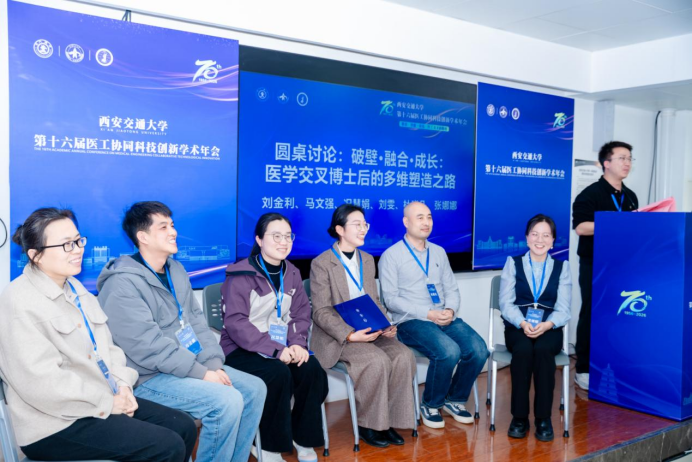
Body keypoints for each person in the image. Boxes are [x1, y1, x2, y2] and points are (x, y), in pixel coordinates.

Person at [0, 207, 197, 461]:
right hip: (55, 423)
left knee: (182, 426)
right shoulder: (18, 302)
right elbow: (42, 385)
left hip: (101, 400)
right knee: (167, 445)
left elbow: (110, 349)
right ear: (35, 255)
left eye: (78, 241)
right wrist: (107, 403)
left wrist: (123, 386)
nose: (77, 250)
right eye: (66, 245)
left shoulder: (76, 289)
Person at [97, 201, 266, 462]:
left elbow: (196, 321)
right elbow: (148, 347)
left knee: (254, 389)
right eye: (163, 227)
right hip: (147, 377)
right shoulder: (121, 284)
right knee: (226, 401)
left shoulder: (175, 269)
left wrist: (212, 365)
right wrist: (203, 374)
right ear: (143, 237)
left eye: (172, 225)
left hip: (187, 365)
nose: (173, 232)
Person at [221, 213, 328, 462]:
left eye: (288, 236)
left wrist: (298, 344)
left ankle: (302, 437)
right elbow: (236, 323)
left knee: (311, 369)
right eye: (276, 236)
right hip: (241, 349)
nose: (283, 242)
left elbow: (300, 314)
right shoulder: (240, 274)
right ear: (259, 240)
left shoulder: (291, 272)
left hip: (281, 347)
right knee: (277, 374)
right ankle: (267, 445)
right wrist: (275, 349)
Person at [310, 204, 416, 448]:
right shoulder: (322, 263)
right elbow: (321, 311)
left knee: (403, 356)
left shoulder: (367, 260)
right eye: (356, 224)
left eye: (364, 224)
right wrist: (349, 335)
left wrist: (386, 324)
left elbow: (374, 300)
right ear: (339, 229)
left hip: (371, 331)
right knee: (376, 361)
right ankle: (369, 425)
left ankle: (389, 422)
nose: (363, 229)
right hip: (338, 336)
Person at [379, 201, 488, 429]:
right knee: (448, 351)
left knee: (479, 349)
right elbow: (391, 299)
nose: (426, 222)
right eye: (419, 217)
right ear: (406, 222)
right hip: (411, 320)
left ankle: (454, 399)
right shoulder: (391, 255)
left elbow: (451, 289)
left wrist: (450, 310)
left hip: (443, 317)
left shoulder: (439, 252)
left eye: (429, 217)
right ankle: (430, 404)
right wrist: (428, 313)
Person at [572, 141, 638, 391]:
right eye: (622, 158)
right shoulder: (590, 194)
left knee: (618, 315)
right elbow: (581, 227)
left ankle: (613, 365)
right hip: (595, 265)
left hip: (622, 265)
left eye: (630, 158)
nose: (627, 163)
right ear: (606, 163)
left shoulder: (630, 196)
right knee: (591, 314)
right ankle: (584, 369)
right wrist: (617, 222)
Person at [499, 214, 572, 442]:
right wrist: (522, 323)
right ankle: (519, 417)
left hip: (549, 327)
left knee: (542, 350)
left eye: (546, 235)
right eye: (535, 234)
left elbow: (564, 308)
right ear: (527, 238)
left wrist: (548, 324)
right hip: (518, 325)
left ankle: (543, 418)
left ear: (553, 241)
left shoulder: (562, 267)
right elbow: (505, 303)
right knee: (522, 350)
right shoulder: (513, 263)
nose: (540, 240)